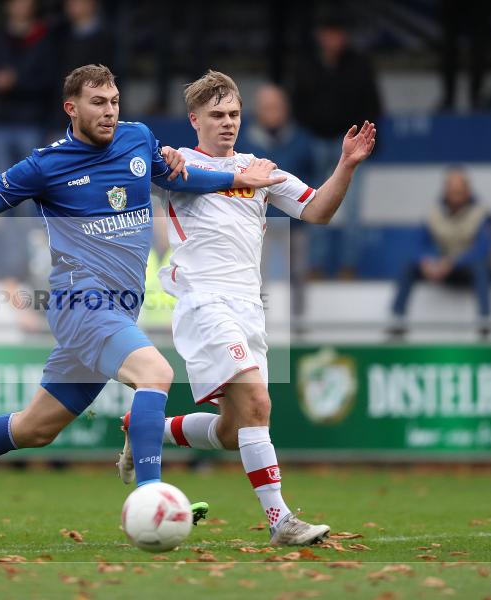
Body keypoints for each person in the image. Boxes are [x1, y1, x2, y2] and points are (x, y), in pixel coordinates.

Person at [0, 64, 283, 529]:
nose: (109, 112)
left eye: (114, 102)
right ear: (72, 108)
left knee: (36, 428)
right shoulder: (44, 166)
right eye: (98, 103)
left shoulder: (138, 139)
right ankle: (154, 500)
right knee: (155, 373)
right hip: (80, 303)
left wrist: (243, 179)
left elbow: (182, 181)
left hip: (116, 313)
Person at [117, 71, 376, 546]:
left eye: (234, 114)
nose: (228, 122)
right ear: (195, 120)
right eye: (216, 115)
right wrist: (170, 158)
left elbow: (318, 211)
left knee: (236, 428)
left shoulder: (260, 169)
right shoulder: (178, 164)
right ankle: (281, 521)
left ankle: (145, 424)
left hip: (248, 308)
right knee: (260, 404)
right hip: (203, 302)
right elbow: (149, 166)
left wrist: (346, 165)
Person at [291, 14, 380, 279]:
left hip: (350, 145)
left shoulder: (359, 65)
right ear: (320, 36)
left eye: (338, 33)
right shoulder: (307, 64)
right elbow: (298, 102)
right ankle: (316, 266)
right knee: (314, 203)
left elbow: (373, 104)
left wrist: (361, 140)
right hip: (317, 143)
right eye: (329, 33)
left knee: (352, 211)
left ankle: (348, 267)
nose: (333, 40)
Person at [389, 168, 491, 336]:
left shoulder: (483, 212)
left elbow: (482, 250)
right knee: (409, 266)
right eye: (452, 191)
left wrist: (452, 263)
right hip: (445, 267)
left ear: (467, 190)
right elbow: (417, 244)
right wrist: (426, 261)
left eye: (459, 191)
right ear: (445, 190)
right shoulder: (434, 212)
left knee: (480, 267)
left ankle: (484, 325)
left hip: (476, 268)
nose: (455, 195)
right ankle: (397, 320)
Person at [242, 84, 316, 323]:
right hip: (258, 223)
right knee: (256, 275)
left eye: (276, 106)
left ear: (285, 109)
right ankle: (257, 323)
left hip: (296, 224)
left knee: (299, 274)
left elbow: (311, 179)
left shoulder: (302, 141)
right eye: (267, 107)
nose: (272, 112)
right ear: (258, 111)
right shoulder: (245, 143)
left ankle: (300, 325)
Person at [0, 0, 56, 169]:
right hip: (1, 119)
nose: (21, 5)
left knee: (34, 184)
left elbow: (50, 79)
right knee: (3, 187)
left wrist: (16, 81)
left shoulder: (45, 37)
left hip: (31, 120)